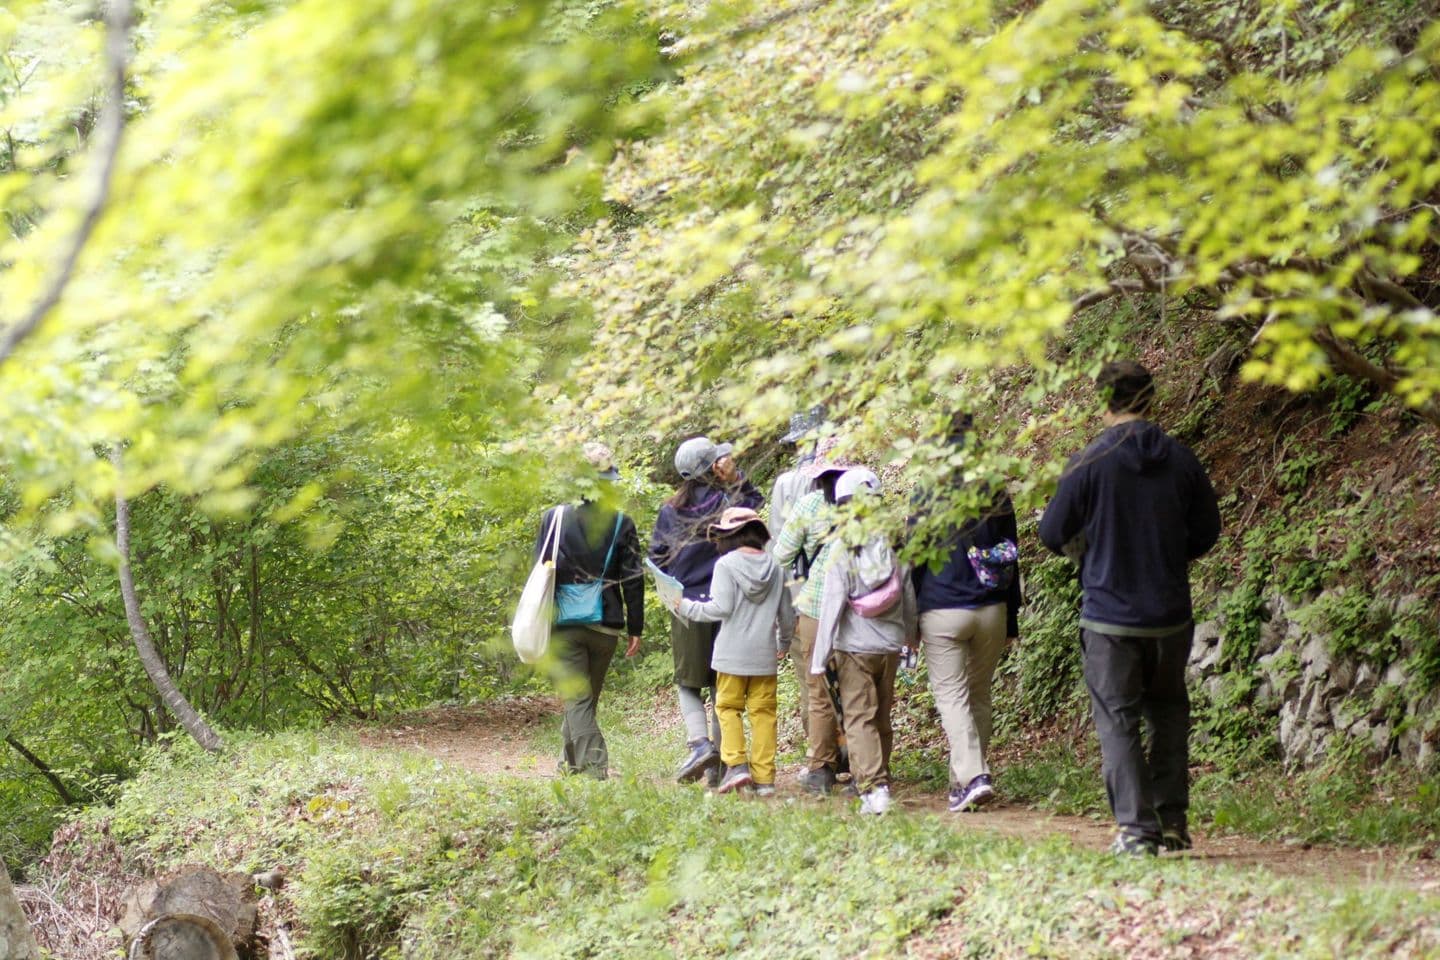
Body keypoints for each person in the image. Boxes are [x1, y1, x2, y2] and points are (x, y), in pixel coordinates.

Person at [1038, 361, 1221, 856]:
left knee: (1118, 721)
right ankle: (1172, 823)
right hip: (1170, 613)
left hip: (1109, 615)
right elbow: (1207, 531)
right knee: (1168, 714)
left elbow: (1052, 532)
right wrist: (1168, 554)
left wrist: (1090, 547)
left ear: (1104, 402)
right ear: (1152, 399)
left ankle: (1137, 832)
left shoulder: (1089, 462)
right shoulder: (1181, 459)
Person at [911, 413, 1024, 813]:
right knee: (978, 694)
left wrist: (910, 621)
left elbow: (915, 559)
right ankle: (963, 783)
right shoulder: (994, 487)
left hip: (942, 608)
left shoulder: (928, 489)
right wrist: (1011, 619)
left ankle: (975, 776)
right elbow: (1010, 555)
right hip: (991, 608)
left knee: (952, 696)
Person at [650, 436, 764, 784]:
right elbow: (755, 506)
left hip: (686, 604)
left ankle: (700, 746)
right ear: (713, 466)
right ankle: (724, 763)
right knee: (720, 683)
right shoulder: (727, 503)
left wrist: (675, 581)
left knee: (688, 683)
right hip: (727, 603)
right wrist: (736, 478)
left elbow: (656, 558)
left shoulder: (670, 511)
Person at [534, 442, 643, 779]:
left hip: (563, 624)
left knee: (578, 700)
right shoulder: (622, 523)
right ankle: (570, 765)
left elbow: (539, 572)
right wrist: (635, 627)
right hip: (606, 624)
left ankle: (593, 769)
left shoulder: (554, 519)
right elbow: (633, 579)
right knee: (583, 700)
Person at [813, 468, 916, 815]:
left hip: (854, 647)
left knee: (859, 719)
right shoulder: (896, 544)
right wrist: (911, 637)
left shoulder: (844, 548)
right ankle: (879, 779)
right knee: (882, 716)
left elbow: (832, 605)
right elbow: (909, 596)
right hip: (889, 645)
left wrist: (819, 657)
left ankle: (874, 788)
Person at [675, 508, 792, 796]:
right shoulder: (776, 568)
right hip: (764, 656)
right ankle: (765, 780)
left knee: (728, 709)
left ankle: (737, 766)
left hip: (730, 656)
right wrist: (784, 643)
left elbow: (720, 608)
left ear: (731, 536)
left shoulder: (725, 565)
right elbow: (787, 615)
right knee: (764, 715)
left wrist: (685, 607)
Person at [773, 439, 855, 795]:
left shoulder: (808, 505)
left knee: (818, 688)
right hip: (863, 610)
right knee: (860, 690)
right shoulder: (869, 507)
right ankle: (867, 768)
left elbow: (780, 554)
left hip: (817, 607)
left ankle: (822, 769)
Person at [768, 405, 824, 732]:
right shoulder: (848, 480)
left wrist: (782, 613)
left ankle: (820, 750)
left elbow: (779, 549)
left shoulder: (786, 484)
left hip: (802, 596)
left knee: (810, 680)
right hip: (849, 597)